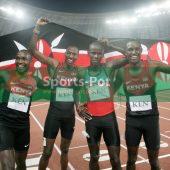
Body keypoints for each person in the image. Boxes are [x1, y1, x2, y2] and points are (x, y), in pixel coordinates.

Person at [29, 18, 79, 170]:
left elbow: (76, 92)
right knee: (47, 152)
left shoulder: (78, 72)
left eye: (74, 54)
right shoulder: (55, 64)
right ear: (65, 54)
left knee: (65, 151)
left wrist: (79, 107)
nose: (71, 56)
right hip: (53, 116)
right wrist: (37, 28)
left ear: (77, 56)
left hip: (69, 118)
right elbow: (33, 51)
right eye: (69, 53)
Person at [114, 40, 170, 170]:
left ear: (140, 51)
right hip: (132, 121)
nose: (133, 52)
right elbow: (111, 90)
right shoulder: (122, 72)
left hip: (151, 120)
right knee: (131, 161)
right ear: (126, 53)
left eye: (136, 49)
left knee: (154, 161)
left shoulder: (152, 66)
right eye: (130, 50)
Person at [76, 40, 128, 170]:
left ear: (103, 54)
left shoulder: (108, 67)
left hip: (109, 119)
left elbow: (128, 56)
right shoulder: (82, 72)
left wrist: (110, 45)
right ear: (88, 53)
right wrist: (78, 106)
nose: (95, 56)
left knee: (115, 159)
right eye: (93, 53)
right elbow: (75, 89)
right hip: (91, 120)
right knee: (94, 157)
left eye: (99, 53)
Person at [0, 50, 37, 170]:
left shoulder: (35, 81)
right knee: (8, 166)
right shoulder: (5, 75)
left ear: (30, 61)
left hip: (22, 126)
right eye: (18, 58)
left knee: (21, 164)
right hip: (5, 124)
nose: (20, 61)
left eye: (24, 59)